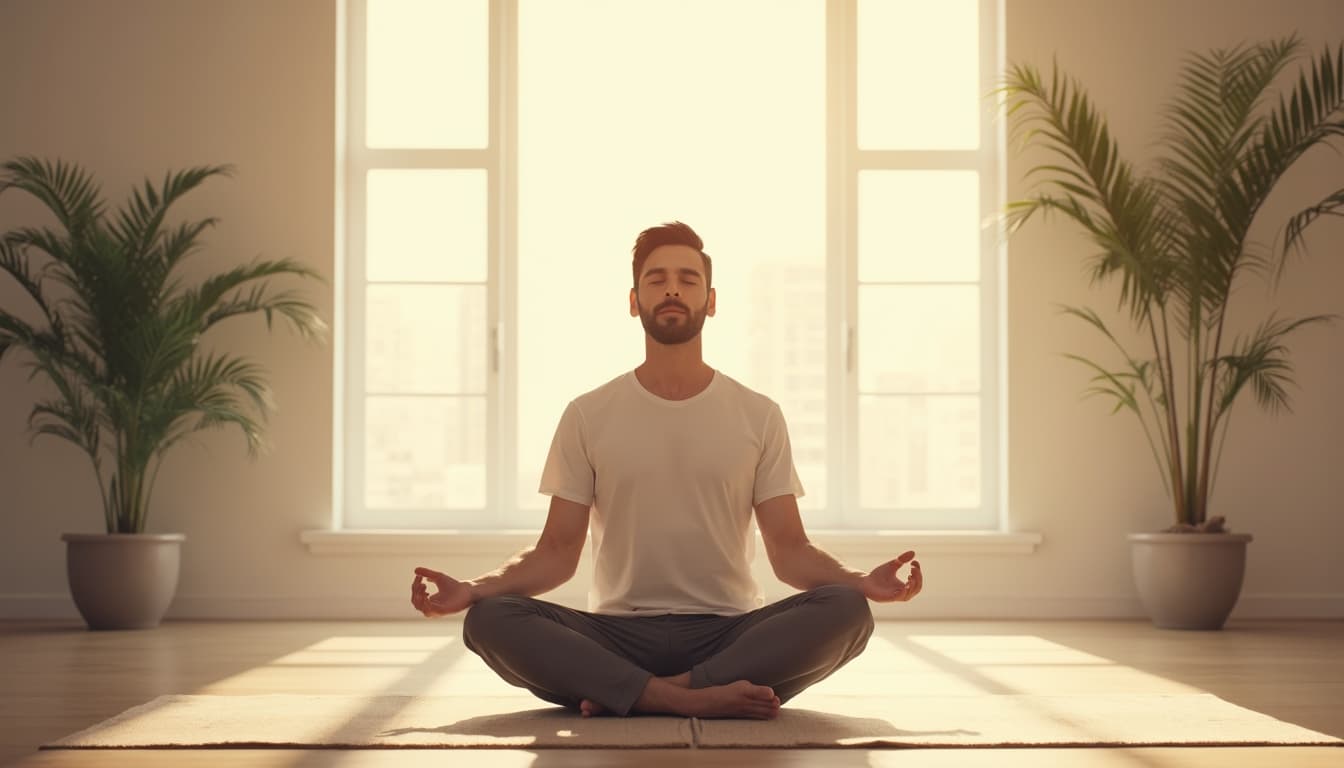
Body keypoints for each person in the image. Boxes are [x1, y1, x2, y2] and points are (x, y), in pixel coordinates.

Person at [411, 221, 923, 720]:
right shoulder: (588, 413)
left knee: (848, 612)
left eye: (687, 279)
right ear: (634, 301)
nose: (672, 290)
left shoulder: (758, 413)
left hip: (729, 633)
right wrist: (474, 589)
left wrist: (861, 582)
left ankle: (646, 694)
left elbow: (789, 551)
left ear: (711, 301)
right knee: (490, 620)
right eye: (656, 280)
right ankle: (690, 697)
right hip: (616, 635)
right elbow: (558, 551)